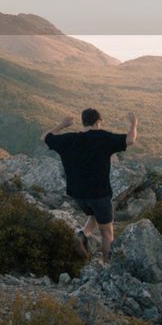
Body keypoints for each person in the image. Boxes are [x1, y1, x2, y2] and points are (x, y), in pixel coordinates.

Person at [43, 108, 138, 264]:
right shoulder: (103, 137)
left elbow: (45, 137)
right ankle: (107, 265)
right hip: (99, 194)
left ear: (83, 122)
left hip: (78, 194)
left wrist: (62, 125)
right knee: (107, 233)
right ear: (98, 121)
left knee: (93, 214)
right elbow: (130, 140)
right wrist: (134, 124)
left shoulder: (69, 139)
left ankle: (81, 235)